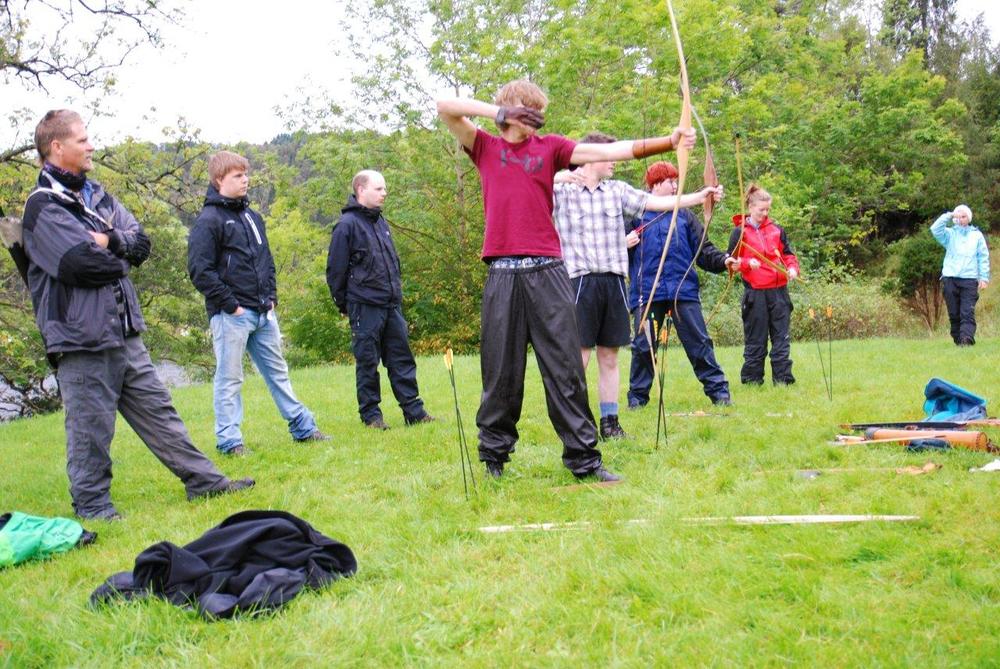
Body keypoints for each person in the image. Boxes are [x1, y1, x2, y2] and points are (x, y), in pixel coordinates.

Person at [436, 79, 696, 481]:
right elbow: (445, 107)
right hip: (502, 274)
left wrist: (668, 140)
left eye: (538, 113)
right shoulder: (486, 146)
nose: (536, 119)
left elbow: (606, 151)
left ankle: (584, 459)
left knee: (566, 369)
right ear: (512, 110)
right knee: (501, 372)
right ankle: (494, 458)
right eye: (530, 111)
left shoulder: (550, 148)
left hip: (549, 273)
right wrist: (498, 113)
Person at [20, 110, 253, 520]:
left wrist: (107, 241)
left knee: (160, 413)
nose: (91, 146)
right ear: (57, 147)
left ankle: (205, 482)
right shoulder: (43, 206)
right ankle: (93, 506)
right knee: (90, 428)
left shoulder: (96, 195)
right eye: (82, 140)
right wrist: (118, 251)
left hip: (123, 329)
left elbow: (141, 243)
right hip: (80, 336)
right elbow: (81, 264)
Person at [553, 137, 723, 438]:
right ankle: (576, 424)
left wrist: (699, 197)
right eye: (608, 155)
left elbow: (658, 203)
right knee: (579, 357)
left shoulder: (617, 190)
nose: (614, 160)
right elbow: (526, 179)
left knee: (610, 356)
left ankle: (610, 423)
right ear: (590, 157)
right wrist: (561, 175)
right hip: (580, 281)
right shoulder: (561, 191)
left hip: (614, 283)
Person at [188, 151, 329, 456]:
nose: (245, 180)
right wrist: (231, 305)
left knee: (278, 373)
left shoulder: (253, 217)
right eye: (237, 176)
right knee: (230, 379)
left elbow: (266, 260)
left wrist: (271, 296)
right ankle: (230, 442)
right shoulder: (208, 221)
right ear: (219, 180)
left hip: (263, 311)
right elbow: (200, 271)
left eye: (246, 174)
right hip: (231, 316)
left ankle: (303, 428)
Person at [326, 170, 434, 429]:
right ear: (361, 190)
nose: (384, 193)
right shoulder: (346, 226)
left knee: (401, 358)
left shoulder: (380, 222)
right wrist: (345, 304)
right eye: (379, 189)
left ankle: (414, 412)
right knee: (367, 362)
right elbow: (335, 270)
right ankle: (372, 416)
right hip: (364, 305)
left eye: (384, 188)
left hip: (391, 304)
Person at [626, 161, 736, 409]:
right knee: (644, 347)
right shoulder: (635, 217)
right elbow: (615, 252)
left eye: (676, 181)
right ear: (655, 184)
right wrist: (624, 243)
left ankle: (720, 394)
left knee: (699, 342)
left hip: (682, 291)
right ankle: (637, 400)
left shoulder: (684, 216)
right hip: (647, 292)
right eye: (670, 181)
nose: (676, 186)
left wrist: (724, 260)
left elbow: (703, 251)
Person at [727, 184, 800, 385]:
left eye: (768, 209)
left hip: (779, 293)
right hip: (755, 294)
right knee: (756, 340)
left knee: (781, 338)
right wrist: (746, 264)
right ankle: (752, 381)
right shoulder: (739, 233)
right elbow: (730, 263)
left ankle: (783, 380)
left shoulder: (777, 230)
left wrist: (793, 269)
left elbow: (788, 255)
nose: (765, 214)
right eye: (761, 210)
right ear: (750, 207)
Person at [930, 205, 990, 346]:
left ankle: (966, 339)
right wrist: (950, 215)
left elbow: (983, 256)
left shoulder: (976, 235)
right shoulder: (949, 234)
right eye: (959, 217)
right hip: (950, 278)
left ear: (969, 218)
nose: (961, 219)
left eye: (964, 216)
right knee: (954, 313)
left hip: (969, 279)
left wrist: (984, 277)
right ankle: (958, 339)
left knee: (967, 312)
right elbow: (935, 229)